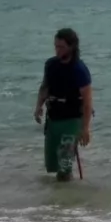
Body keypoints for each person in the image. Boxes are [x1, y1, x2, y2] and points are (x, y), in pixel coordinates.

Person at [34, 28, 91, 182]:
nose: (57, 50)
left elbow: (87, 102)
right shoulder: (51, 65)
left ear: (71, 47)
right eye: (56, 47)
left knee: (64, 166)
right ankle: (58, 201)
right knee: (52, 165)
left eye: (61, 47)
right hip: (53, 119)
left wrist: (85, 128)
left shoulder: (80, 70)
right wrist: (38, 106)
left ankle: (67, 204)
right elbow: (45, 87)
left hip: (72, 121)